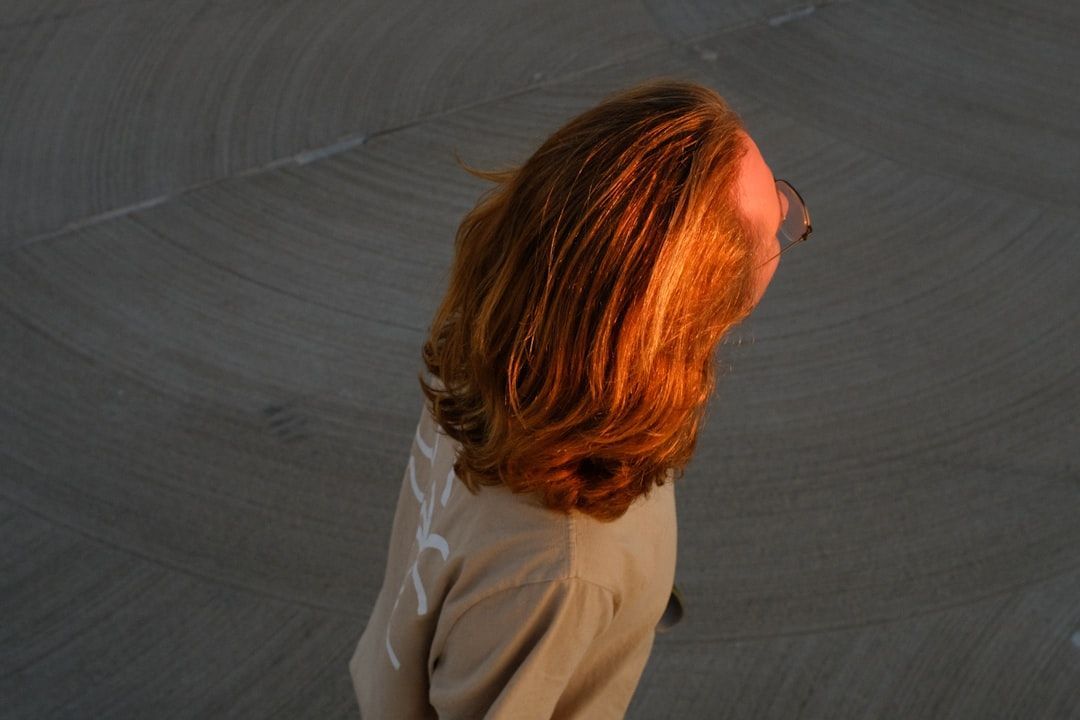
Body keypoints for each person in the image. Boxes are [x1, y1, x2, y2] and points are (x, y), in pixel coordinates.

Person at [349, 79, 812, 719]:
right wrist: (604, 594)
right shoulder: (562, 574)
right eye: (771, 229)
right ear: (693, 309)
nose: (789, 217)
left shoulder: (501, 345)